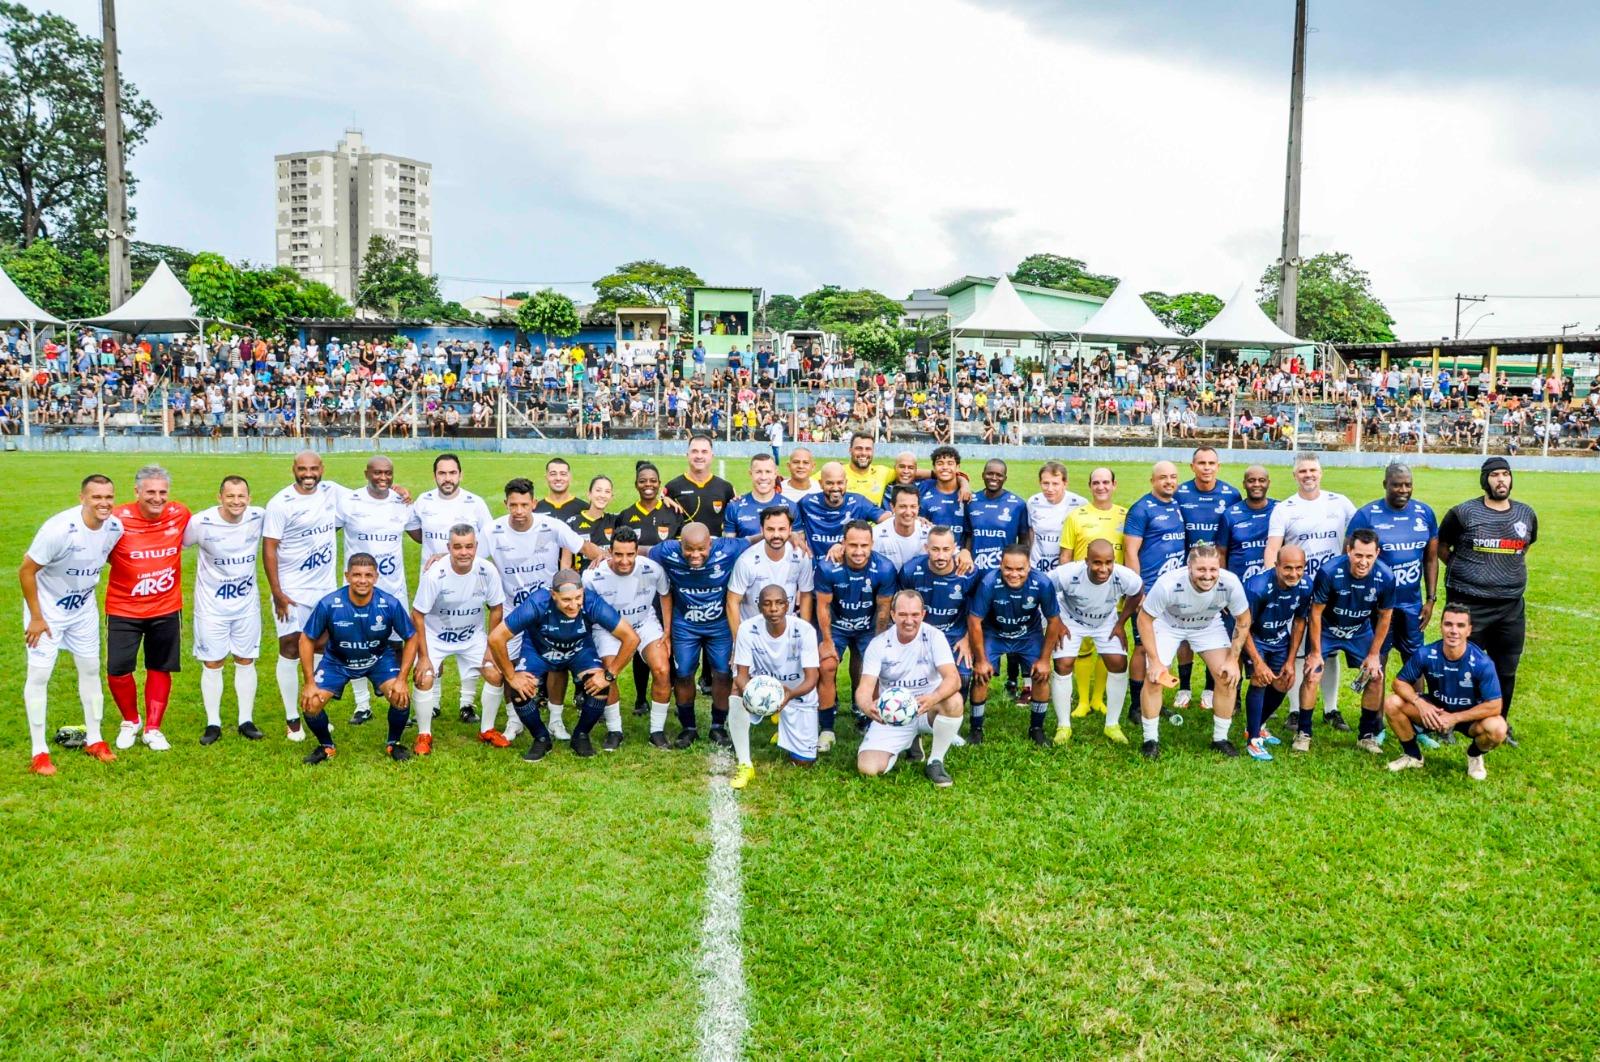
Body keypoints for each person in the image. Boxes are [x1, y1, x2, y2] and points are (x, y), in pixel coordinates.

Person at [19, 474, 123, 774]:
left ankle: (95, 739)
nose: (104, 503)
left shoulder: (114, 527)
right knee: (39, 675)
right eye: (96, 497)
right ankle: (39, 752)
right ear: (82, 498)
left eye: (108, 497)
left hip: (83, 611)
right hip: (47, 613)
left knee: (90, 670)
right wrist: (37, 617)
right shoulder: (59, 530)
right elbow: (26, 571)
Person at [488, 569, 638, 761]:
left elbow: (631, 638)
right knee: (519, 691)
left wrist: (609, 675)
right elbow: (495, 638)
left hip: (578, 650)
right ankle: (541, 738)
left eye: (578, 598)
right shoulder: (537, 602)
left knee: (599, 685)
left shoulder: (591, 602)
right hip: (540, 650)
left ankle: (581, 735)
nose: (574, 605)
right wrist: (511, 676)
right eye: (566, 600)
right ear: (553, 595)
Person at [1438, 456, 1535, 746]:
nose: (1501, 480)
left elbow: (1523, 548)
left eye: (1505, 474)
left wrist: (1501, 577)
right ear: (1485, 480)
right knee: (1460, 665)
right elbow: (1442, 547)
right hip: (1469, 605)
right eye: (1494, 475)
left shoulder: (1525, 514)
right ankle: (1452, 724)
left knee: (1506, 668)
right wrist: (1469, 572)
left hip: (1510, 607)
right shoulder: (1463, 513)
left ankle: (1499, 724)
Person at [1262, 452, 1357, 732]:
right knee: (1299, 647)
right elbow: (1273, 548)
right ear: (1295, 475)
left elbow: (1361, 532)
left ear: (1321, 472)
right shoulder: (1285, 508)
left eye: (1313, 470)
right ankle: (1294, 710)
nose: (1308, 475)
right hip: (1298, 587)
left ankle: (1331, 708)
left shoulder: (1340, 503)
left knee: (1328, 650)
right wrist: (1273, 583)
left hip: (1337, 589)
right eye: (1302, 471)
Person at [296, 553, 420, 766]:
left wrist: (402, 678)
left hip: (378, 659)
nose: (363, 580)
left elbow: (412, 636)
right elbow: (306, 639)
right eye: (357, 575)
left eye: (368, 575)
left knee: (400, 697)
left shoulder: (389, 604)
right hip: (338, 661)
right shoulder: (330, 604)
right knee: (311, 703)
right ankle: (326, 746)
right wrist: (309, 682)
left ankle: (394, 743)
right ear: (347, 576)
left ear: (376, 577)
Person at [1134, 543, 1252, 759]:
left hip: (1207, 626)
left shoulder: (1230, 583)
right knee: (1154, 677)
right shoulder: (1168, 583)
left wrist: (1233, 660)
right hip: (1169, 625)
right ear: (1189, 568)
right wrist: (1155, 661)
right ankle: (1150, 740)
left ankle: (1220, 739)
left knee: (1227, 676)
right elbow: (1144, 618)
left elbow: (1243, 620)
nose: (1207, 576)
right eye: (1201, 570)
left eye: (1213, 570)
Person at [104, 464, 192, 752]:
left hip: (165, 607)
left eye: (162, 492)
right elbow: (101, 551)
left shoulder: (180, 514)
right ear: (137, 492)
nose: (157, 498)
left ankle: (153, 728)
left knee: (160, 666)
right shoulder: (116, 518)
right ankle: (130, 720)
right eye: (150, 492)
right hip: (123, 607)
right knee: (118, 669)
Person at [263, 450, 346, 743]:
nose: (308, 474)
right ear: (293, 469)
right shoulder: (280, 503)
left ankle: (316, 707)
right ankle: (292, 718)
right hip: (292, 591)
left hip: (324, 590)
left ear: (322, 468)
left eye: (313, 468)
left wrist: (397, 489)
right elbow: (270, 547)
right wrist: (277, 593)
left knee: (323, 644)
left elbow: (366, 498)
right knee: (290, 646)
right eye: (302, 469)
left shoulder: (332, 492)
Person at [652, 523, 751, 748]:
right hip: (685, 625)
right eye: (689, 549)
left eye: (701, 549)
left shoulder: (728, 548)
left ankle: (718, 726)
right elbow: (642, 550)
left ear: (711, 544)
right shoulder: (667, 551)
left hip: (719, 626)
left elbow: (755, 539)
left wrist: (793, 536)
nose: (695, 555)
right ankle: (689, 728)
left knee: (723, 673)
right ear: (680, 544)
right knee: (684, 673)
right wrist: (604, 553)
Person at [184, 475, 266, 745]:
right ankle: (213, 723)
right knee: (213, 662)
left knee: (245, 659)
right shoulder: (201, 522)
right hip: (211, 608)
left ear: (249, 498)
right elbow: (175, 545)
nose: (236, 501)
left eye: (241, 496)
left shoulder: (258, 516)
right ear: (220, 497)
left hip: (246, 606)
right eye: (230, 496)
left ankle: (246, 719)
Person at [410, 525, 505, 757]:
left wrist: (491, 647)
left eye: (469, 546)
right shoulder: (435, 575)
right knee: (424, 678)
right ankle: (424, 734)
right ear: (449, 548)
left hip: (472, 636)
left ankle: (487, 729)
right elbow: (417, 615)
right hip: (436, 636)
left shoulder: (487, 570)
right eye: (458, 547)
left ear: (476, 547)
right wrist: (423, 657)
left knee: (495, 674)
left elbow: (496, 609)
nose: (464, 552)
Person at [855, 589, 966, 788]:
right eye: (903, 615)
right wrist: (865, 705)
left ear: (923, 614)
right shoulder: (879, 644)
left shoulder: (934, 637)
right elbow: (864, 688)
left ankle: (935, 761)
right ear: (893, 615)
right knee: (868, 768)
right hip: (892, 714)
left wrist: (933, 698)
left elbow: (953, 679)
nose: (909, 620)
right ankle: (907, 741)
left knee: (954, 700)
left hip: (927, 707)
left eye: (915, 614)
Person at [1383, 605, 1508, 779]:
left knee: (1498, 728)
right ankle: (1413, 756)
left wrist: (1454, 718)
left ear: (1469, 630)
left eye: (1460, 626)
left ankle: (1474, 755)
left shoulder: (1482, 663)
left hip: (1468, 718)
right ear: (1441, 626)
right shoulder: (1426, 653)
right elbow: (1399, 683)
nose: (1453, 631)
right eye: (1448, 624)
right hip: (1435, 713)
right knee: (1392, 703)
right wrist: (1420, 704)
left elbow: (1495, 706)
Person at [1299, 528, 1396, 754]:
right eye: (1358, 555)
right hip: (1328, 628)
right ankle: (1303, 732)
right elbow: (1315, 613)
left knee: (1375, 676)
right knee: (1312, 673)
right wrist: (1314, 652)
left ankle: (1366, 735)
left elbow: (1385, 617)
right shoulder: (1330, 572)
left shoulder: (1386, 577)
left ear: (1377, 553)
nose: (1363, 561)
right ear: (1349, 550)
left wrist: (1373, 655)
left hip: (1359, 630)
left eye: (1369, 556)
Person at [337, 456, 412, 726]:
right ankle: (362, 705)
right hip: (358, 588)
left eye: (388, 473)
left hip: (394, 588)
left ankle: (400, 697)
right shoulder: (349, 501)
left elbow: (420, 534)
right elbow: (325, 531)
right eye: (377, 472)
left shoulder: (401, 503)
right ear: (366, 473)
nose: (383, 477)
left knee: (398, 644)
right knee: (355, 643)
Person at [582, 527, 671, 750]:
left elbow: (665, 594)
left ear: (636, 552)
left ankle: (656, 731)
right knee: (608, 670)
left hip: (644, 623)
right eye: (618, 554)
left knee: (662, 669)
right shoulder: (593, 576)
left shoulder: (652, 569)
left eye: (630, 554)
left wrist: (667, 630)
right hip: (609, 630)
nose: (624, 560)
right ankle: (615, 730)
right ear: (609, 551)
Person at [968, 544, 1066, 746]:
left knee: (1041, 676)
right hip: (994, 633)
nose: (1014, 574)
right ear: (1000, 565)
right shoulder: (989, 583)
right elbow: (974, 620)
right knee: (981, 675)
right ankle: (976, 729)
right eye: (1008, 568)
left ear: (1029, 567)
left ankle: (1036, 728)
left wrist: (1044, 660)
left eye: (1020, 569)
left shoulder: (1042, 583)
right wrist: (981, 660)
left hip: (1028, 635)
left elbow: (1054, 620)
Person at [1046, 539, 1141, 746]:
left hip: (1105, 621)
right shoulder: (1068, 573)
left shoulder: (1124, 576)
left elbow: (1137, 592)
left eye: (1108, 562)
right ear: (1086, 560)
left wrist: (1120, 624)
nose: (1103, 568)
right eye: (1097, 563)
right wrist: (1057, 622)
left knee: (1118, 662)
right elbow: (1044, 589)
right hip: (1070, 619)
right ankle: (1064, 726)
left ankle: (1112, 725)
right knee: (1063, 664)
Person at [814, 520, 898, 750]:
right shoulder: (828, 566)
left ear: (872, 544)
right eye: (853, 545)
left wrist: (878, 645)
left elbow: (883, 610)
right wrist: (828, 641)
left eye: (864, 545)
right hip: (838, 626)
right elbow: (822, 607)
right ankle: (827, 728)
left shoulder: (884, 568)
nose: (859, 551)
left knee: (869, 669)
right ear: (843, 544)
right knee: (827, 666)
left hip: (868, 627)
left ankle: (865, 714)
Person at [729, 583, 823, 788]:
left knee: (803, 762)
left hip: (796, 692)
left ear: (788, 605)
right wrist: (753, 694)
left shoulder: (804, 630)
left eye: (779, 603)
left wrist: (788, 695)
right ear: (759, 606)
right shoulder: (747, 628)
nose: (773, 609)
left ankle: (782, 723)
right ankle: (745, 764)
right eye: (767, 604)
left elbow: (812, 679)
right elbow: (741, 675)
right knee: (736, 691)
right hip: (763, 688)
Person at [1171, 447, 1242, 712]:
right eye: (1201, 463)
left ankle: (1211, 689)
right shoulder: (1180, 494)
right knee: (1185, 631)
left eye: (1211, 463)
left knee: (1218, 630)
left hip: (1216, 575)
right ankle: (1185, 687)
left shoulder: (1230, 494)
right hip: (1187, 573)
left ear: (1218, 466)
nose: (1207, 468)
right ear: (1192, 466)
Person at [1348, 461, 1438, 668]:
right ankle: (1372, 702)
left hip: (1412, 604)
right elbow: (1350, 558)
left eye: (1408, 485)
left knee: (1415, 662)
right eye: (1397, 485)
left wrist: (1431, 600)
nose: (1403, 490)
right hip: (1378, 604)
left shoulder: (1424, 513)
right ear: (1385, 484)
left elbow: (1431, 559)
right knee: (1376, 662)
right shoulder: (1366, 515)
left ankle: (1414, 702)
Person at [1123, 461, 1189, 725]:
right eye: (1163, 478)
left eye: (1173, 477)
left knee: (1164, 648)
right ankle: (1135, 706)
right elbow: (1130, 552)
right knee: (1142, 648)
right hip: (1149, 592)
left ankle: (1155, 701)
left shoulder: (1177, 505)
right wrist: (1139, 591)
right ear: (1152, 480)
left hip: (1173, 594)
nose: (1169, 482)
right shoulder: (1141, 509)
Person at [1060, 467, 1126, 721]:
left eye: (1106, 482)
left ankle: (1099, 698)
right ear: (1090, 486)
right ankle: (1084, 701)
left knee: (1108, 644)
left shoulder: (1124, 515)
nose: (1101, 487)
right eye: (1096, 483)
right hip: (1081, 596)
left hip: (1113, 594)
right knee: (1083, 646)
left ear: (1114, 484)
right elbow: (1066, 555)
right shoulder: (1076, 516)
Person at [1240, 545, 1312, 761]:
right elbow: (1243, 627)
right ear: (1276, 566)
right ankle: (1252, 741)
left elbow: (1300, 622)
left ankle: (1257, 725)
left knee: (1283, 681)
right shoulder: (1257, 587)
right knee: (1260, 680)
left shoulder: (1305, 586)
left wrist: (1291, 660)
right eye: (1287, 568)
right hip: (1253, 636)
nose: (1293, 573)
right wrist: (1257, 662)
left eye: (1299, 568)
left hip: (1279, 637)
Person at [408, 452, 495, 568]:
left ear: (460, 475)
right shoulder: (423, 500)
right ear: (434, 476)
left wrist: (449, 556)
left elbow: (490, 540)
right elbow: (413, 528)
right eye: (442, 473)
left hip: (466, 576)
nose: (448, 478)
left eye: (452, 473)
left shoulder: (475, 503)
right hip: (430, 576)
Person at [795, 462, 888, 556]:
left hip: (849, 565)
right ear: (821, 483)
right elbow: (786, 522)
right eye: (829, 483)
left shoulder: (859, 502)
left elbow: (888, 521)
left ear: (846, 483)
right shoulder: (807, 503)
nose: (835, 488)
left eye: (840, 483)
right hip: (815, 566)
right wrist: (794, 535)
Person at [665, 434, 737, 536]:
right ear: (687, 455)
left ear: (712, 456)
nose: (699, 456)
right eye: (694, 451)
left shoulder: (726, 488)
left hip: (714, 549)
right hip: (684, 549)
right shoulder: (672, 487)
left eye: (704, 452)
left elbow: (734, 521)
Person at [966, 459, 1030, 573]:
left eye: (999, 475)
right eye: (990, 473)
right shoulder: (971, 502)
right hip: (974, 570)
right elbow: (968, 535)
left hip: (1004, 572)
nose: (994, 478)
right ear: (983, 475)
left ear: (1005, 478)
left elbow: (1024, 540)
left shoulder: (1018, 504)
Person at [1025, 461, 1088, 573]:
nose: (1050, 489)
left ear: (1065, 483)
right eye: (1045, 483)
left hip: (1066, 568)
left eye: (1055, 484)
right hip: (1037, 567)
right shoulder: (1033, 502)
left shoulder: (1080, 504)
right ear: (1040, 482)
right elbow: (1030, 533)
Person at [723, 453, 800, 538]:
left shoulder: (791, 507)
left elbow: (798, 546)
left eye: (768, 472)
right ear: (750, 473)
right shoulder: (734, 507)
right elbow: (729, 545)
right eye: (758, 472)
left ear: (775, 474)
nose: (763, 477)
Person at [1221, 466, 1276, 583]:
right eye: (1251, 481)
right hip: (1239, 584)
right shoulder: (1230, 514)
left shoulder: (1280, 510)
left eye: (1261, 480)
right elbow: (1221, 552)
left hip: (1271, 585)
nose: (1256, 484)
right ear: (1244, 484)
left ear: (1268, 483)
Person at [614, 461, 683, 548]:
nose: (648, 484)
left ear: (659, 484)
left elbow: (680, 548)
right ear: (636, 485)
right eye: (642, 481)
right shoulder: (625, 516)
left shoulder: (674, 513)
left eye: (653, 481)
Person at [872, 484, 931, 569]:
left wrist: (957, 555)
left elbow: (952, 553)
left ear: (918, 507)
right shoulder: (876, 534)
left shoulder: (930, 534)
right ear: (892, 507)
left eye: (913, 506)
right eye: (903, 506)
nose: (908, 512)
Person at [843, 430, 898, 502]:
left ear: (873, 452)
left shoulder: (882, 472)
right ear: (850, 450)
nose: (863, 453)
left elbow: (908, 472)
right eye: (859, 448)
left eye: (868, 449)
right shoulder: (838, 473)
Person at [534, 457, 586, 523]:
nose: (558, 478)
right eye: (553, 474)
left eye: (563, 474)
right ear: (546, 477)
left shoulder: (584, 509)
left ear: (570, 477)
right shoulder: (536, 509)